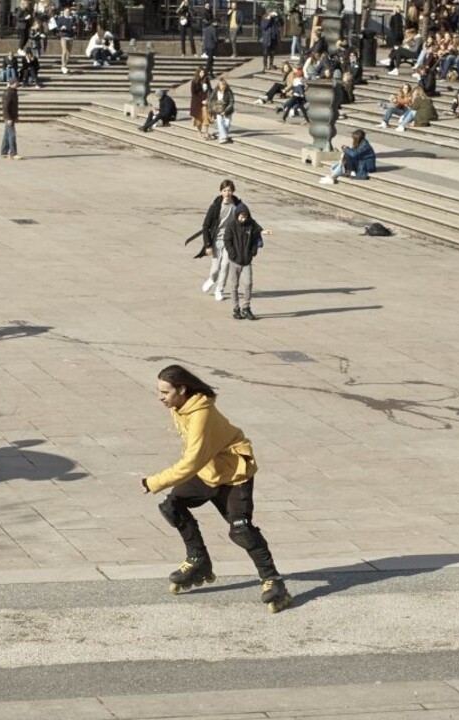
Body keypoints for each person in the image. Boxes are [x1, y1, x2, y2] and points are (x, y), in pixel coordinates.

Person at [142, 364, 291, 613]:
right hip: (207, 471)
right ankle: (198, 558)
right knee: (172, 506)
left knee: (241, 531)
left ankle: (273, 581)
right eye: (159, 391)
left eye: (165, 392)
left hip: (234, 475)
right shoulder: (179, 406)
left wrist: (154, 482)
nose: (161, 397)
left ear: (182, 389)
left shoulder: (201, 413)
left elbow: (191, 461)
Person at [222, 205, 270, 320]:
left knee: (248, 283)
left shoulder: (251, 225)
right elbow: (227, 241)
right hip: (235, 261)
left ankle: (246, 307)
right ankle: (235, 308)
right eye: (241, 217)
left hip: (247, 260)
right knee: (234, 285)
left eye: (245, 217)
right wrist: (232, 254)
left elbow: (257, 235)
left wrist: (253, 251)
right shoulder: (231, 226)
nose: (243, 219)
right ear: (237, 216)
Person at [199, 179, 240, 301]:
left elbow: (248, 220)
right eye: (225, 190)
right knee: (216, 267)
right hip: (216, 240)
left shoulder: (237, 206)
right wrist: (207, 245)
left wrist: (260, 230)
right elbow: (205, 226)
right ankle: (212, 279)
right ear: (221, 191)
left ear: (233, 191)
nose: (227, 193)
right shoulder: (215, 207)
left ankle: (219, 289)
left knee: (226, 264)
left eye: (229, 191)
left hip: (230, 240)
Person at [211, 76, 235, 144]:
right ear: (219, 85)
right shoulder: (215, 91)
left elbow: (231, 102)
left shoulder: (229, 92)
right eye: (221, 85)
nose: (222, 87)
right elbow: (211, 99)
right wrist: (214, 107)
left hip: (228, 111)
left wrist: (225, 111)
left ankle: (222, 137)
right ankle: (224, 138)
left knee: (227, 124)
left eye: (224, 85)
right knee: (220, 123)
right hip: (218, 110)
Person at [1, 77, 21, 159]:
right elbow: (5, 107)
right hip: (9, 117)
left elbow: (14, 107)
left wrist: (15, 116)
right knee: (12, 135)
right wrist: (8, 118)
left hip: (12, 116)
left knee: (7, 134)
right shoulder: (9, 93)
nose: (17, 84)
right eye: (16, 83)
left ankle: (4, 152)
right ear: (12, 83)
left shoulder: (14, 92)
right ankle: (13, 153)